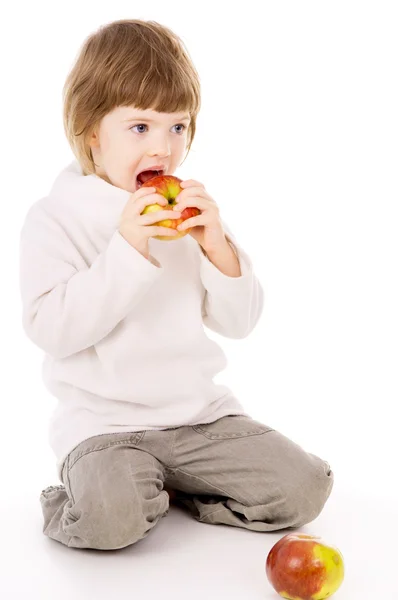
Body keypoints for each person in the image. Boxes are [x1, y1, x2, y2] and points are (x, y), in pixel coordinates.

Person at [19, 19, 334, 551]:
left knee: (304, 489)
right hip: (103, 426)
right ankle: (88, 496)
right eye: (140, 128)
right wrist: (127, 249)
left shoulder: (186, 210)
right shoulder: (55, 217)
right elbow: (53, 330)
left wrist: (218, 250)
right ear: (92, 130)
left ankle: (175, 488)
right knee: (109, 521)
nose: (163, 148)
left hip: (198, 418)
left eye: (178, 127)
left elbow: (240, 323)